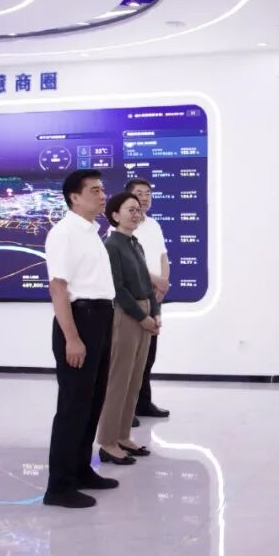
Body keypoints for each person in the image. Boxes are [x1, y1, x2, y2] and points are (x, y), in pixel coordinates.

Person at [43, 170, 119, 508]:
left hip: (100, 318)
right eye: (95, 190)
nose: (103, 196)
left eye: (103, 190)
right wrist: (72, 338)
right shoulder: (64, 233)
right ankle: (59, 487)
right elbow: (58, 288)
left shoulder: (92, 233)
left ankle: (81, 470)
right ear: (74, 197)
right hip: (80, 321)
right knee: (73, 407)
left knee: (92, 402)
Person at [96, 192, 161, 465]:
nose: (136, 214)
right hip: (127, 314)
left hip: (145, 312)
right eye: (130, 209)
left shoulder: (135, 243)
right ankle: (108, 442)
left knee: (134, 380)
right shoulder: (112, 246)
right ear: (114, 215)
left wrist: (155, 313)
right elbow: (118, 288)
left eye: (138, 209)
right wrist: (141, 316)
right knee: (119, 381)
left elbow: (147, 282)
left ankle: (123, 436)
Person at [127, 179, 171, 420]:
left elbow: (163, 256)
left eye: (148, 193)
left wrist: (163, 283)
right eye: (139, 193)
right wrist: (156, 281)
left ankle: (143, 403)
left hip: (155, 296)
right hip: (135, 297)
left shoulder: (154, 225)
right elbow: (131, 264)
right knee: (132, 356)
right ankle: (127, 408)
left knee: (148, 354)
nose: (144, 198)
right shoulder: (122, 227)